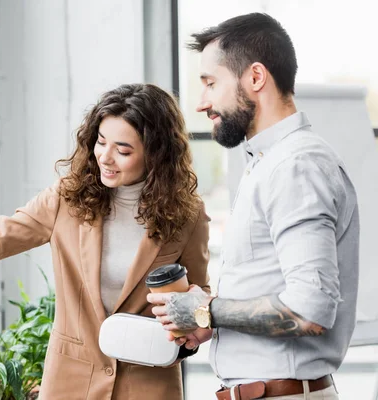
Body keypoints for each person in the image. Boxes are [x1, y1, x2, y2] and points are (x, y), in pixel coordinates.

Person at [0, 83, 211, 400]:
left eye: (123, 150)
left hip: (149, 380)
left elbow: (200, 294)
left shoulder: (187, 215)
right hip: (71, 379)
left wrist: (196, 329)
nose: (105, 157)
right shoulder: (68, 197)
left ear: (156, 155)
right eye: (101, 142)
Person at [147, 13, 359, 400]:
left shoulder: (296, 166)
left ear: (256, 78)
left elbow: (309, 310)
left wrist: (205, 311)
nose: (201, 103)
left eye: (211, 83)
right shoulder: (270, 163)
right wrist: (210, 324)